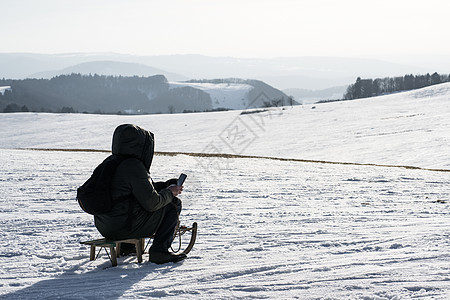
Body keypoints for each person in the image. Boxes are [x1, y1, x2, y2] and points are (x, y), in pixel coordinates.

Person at [94, 124, 186, 264]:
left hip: (105, 226)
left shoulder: (110, 162)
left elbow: (134, 191)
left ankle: (127, 246)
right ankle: (159, 252)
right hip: (123, 227)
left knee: (130, 206)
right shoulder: (134, 166)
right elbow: (152, 203)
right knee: (173, 204)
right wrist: (170, 193)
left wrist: (165, 185)